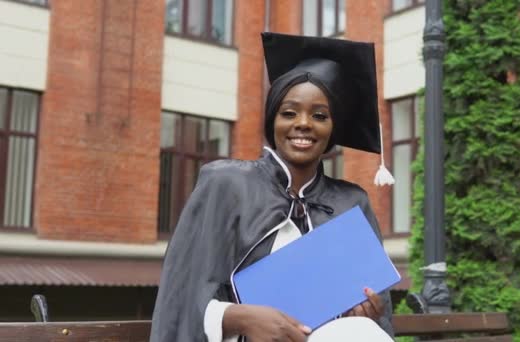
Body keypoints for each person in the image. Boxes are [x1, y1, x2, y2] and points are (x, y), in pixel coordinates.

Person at [150, 32, 395, 342]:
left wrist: (366, 313)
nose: (303, 123)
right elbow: (180, 296)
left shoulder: (351, 202)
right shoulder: (226, 184)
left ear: (333, 129)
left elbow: (380, 313)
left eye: (320, 115)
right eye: (288, 112)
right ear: (272, 120)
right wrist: (238, 317)